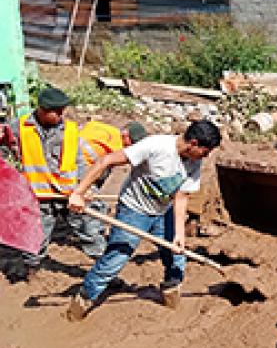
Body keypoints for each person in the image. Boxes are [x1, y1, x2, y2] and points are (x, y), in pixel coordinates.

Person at [66, 120, 222, 321]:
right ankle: (80, 304)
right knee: (115, 260)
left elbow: (181, 197)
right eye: (205, 151)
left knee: (176, 258)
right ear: (193, 143)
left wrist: (179, 235)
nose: (206, 156)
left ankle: (172, 302)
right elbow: (106, 161)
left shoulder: (194, 161)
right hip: (133, 211)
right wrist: (79, 193)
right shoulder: (155, 146)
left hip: (163, 212)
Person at [0, 87, 99, 282]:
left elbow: (80, 163)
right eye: (57, 111)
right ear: (43, 110)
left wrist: (85, 189)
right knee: (37, 236)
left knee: (90, 231)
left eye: (63, 110)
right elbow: (4, 152)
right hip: (39, 197)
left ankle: (105, 270)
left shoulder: (70, 130)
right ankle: (30, 270)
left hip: (70, 195)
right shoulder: (19, 128)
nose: (62, 115)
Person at [77, 120, 148, 262]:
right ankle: (97, 244)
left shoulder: (106, 129)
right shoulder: (118, 146)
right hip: (77, 165)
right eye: (132, 143)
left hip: (72, 156)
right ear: (126, 136)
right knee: (93, 208)